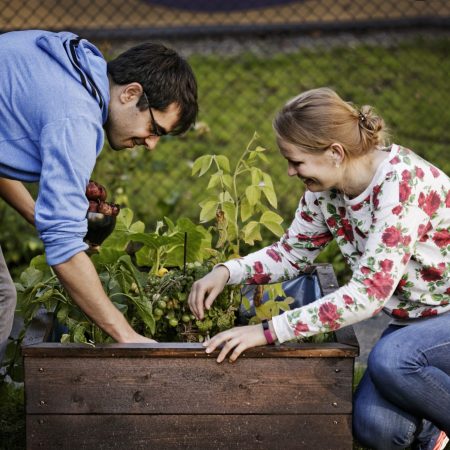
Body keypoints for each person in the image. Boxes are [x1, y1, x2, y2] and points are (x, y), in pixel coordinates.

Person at [188, 87, 450, 450]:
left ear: (335, 153)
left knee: (392, 360)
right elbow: (290, 254)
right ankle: (433, 431)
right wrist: (227, 272)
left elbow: (368, 295)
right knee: (376, 428)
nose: (290, 171)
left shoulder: (401, 186)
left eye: (296, 161)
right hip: (412, 321)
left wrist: (267, 331)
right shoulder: (325, 191)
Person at [0, 30, 198, 363]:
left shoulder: (78, 64)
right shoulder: (77, 117)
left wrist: (40, 215)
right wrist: (127, 336)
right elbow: (62, 247)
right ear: (131, 93)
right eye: (155, 129)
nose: (151, 144)